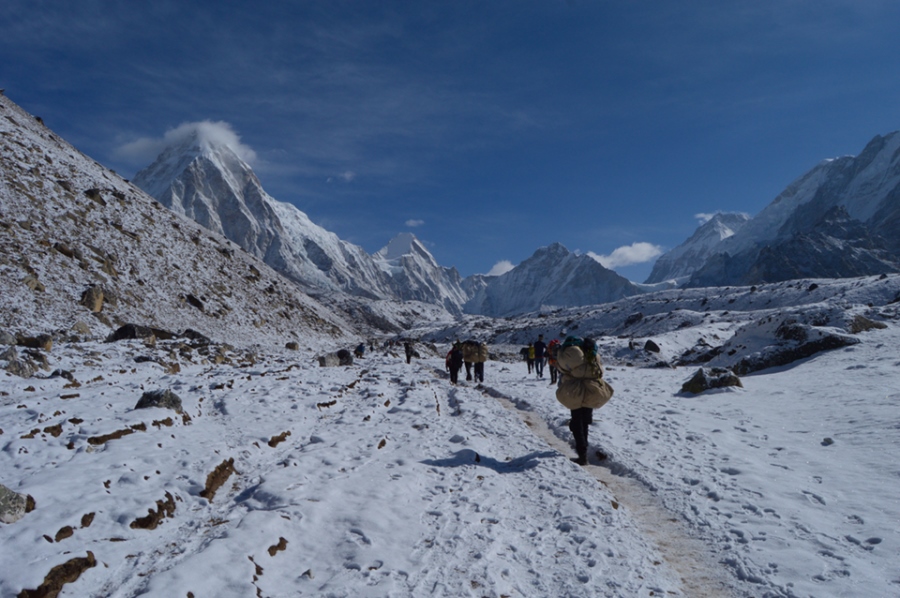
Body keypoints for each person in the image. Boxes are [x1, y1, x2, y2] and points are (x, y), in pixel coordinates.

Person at [555, 337, 614, 465]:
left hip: (576, 391)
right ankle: (584, 452)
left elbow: (563, 368)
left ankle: (582, 455)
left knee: (577, 422)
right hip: (592, 391)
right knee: (585, 422)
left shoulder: (573, 355)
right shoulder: (592, 355)